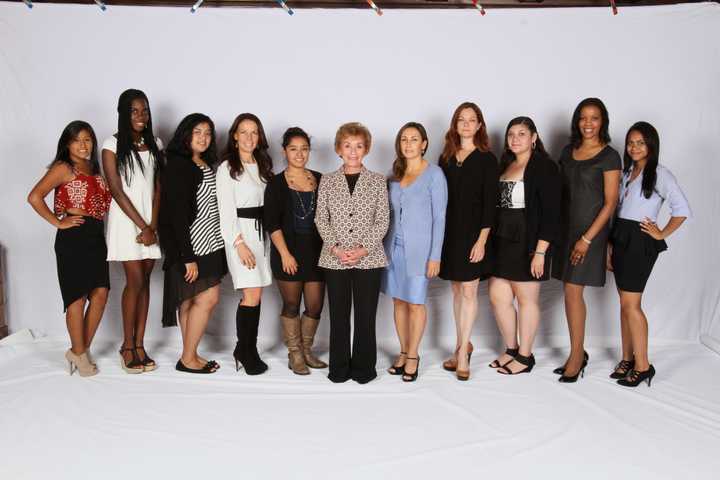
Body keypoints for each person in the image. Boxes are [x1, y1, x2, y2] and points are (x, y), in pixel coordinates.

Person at [608, 121, 690, 387]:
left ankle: (643, 366)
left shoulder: (661, 174)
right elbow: (618, 209)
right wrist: (610, 245)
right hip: (620, 236)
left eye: (640, 142)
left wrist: (661, 232)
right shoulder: (627, 171)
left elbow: (682, 209)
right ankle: (628, 358)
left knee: (632, 305)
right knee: (624, 304)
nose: (634, 147)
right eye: (631, 142)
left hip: (638, 241)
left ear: (651, 145)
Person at [28, 121, 111, 377]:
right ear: (67, 144)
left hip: (96, 236)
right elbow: (34, 196)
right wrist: (58, 222)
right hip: (73, 236)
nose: (83, 145)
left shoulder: (95, 169)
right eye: (77, 140)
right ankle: (80, 352)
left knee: (100, 292)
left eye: (88, 139)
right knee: (77, 296)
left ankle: (79, 350)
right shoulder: (64, 168)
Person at [552, 98, 622, 383]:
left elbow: (610, 203)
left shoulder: (610, 156)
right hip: (566, 231)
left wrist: (588, 240)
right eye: (583, 118)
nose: (588, 123)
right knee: (569, 292)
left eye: (594, 118)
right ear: (576, 121)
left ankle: (577, 356)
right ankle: (576, 353)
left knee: (572, 291)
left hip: (589, 234)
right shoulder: (568, 151)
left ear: (603, 120)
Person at [315, 122, 389, 384]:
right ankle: (339, 369)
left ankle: (364, 369)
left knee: (366, 317)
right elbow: (321, 219)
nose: (353, 151)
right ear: (338, 149)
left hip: (369, 260)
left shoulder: (378, 181)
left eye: (358, 146)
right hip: (334, 260)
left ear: (366, 149)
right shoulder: (326, 180)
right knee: (338, 316)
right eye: (347, 145)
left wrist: (362, 250)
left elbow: (382, 220)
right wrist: (335, 248)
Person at [488, 117, 560, 375]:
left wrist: (540, 252)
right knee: (498, 295)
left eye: (521, 134)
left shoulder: (544, 167)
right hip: (502, 239)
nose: (515, 139)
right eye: (511, 135)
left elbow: (553, 213)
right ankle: (511, 348)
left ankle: (526, 356)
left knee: (526, 298)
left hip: (528, 241)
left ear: (534, 137)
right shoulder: (505, 164)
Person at [159, 113, 226, 374]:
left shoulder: (203, 163)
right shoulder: (178, 165)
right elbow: (175, 215)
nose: (203, 138)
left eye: (208, 133)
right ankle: (188, 358)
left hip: (211, 242)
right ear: (185, 134)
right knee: (207, 298)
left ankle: (189, 355)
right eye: (197, 132)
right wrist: (187, 256)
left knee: (190, 301)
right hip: (193, 246)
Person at [102, 89, 163, 374]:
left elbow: (157, 188)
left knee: (146, 280)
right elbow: (115, 190)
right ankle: (127, 346)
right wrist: (142, 226)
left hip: (150, 222)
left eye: (145, 111)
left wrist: (153, 225)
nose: (141, 116)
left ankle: (140, 344)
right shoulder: (111, 145)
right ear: (124, 113)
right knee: (135, 280)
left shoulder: (156, 143)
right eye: (134, 111)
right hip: (127, 221)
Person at [382, 122, 447, 382]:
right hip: (392, 248)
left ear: (424, 144)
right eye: (404, 139)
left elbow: (440, 218)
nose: (408, 144)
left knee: (416, 303)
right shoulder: (394, 174)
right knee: (398, 300)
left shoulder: (435, 175)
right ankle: (402, 351)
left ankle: (414, 355)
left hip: (421, 250)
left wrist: (435, 255)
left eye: (414, 139)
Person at [438, 102, 499, 381]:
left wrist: (482, 240)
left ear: (479, 125)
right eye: (461, 120)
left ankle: (463, 354)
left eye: (471, 120)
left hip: (474, 235)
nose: (465, 124)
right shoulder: (446, 157)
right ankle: (463, 344)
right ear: (455, 125)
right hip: (449, 234)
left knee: (470, 292)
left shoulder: (487, 158)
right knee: (455, 292)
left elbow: (490, 204)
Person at [264, 127, 326, 375]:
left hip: (317, 252)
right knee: (291, 304)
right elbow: (272, 223)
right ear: (284, 151)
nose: (299, 154)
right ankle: (294, 353)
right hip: (288, 251)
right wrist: (285, 254)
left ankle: (307, 349)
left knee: (315, 306)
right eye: (293, 149)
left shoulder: (321, 179)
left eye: (304, 149)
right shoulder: (276, 183)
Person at [216, 113, 273, 375]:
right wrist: (238, 243)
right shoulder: (227, 167)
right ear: (235, 136)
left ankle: (249, 348)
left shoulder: (262, 165)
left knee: (257, 293)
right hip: (241, 235)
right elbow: (225, 211)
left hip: (261, 236)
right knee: (251, 294)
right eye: (244, 132)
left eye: (254, 132)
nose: (250, 137)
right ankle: (244, 350)